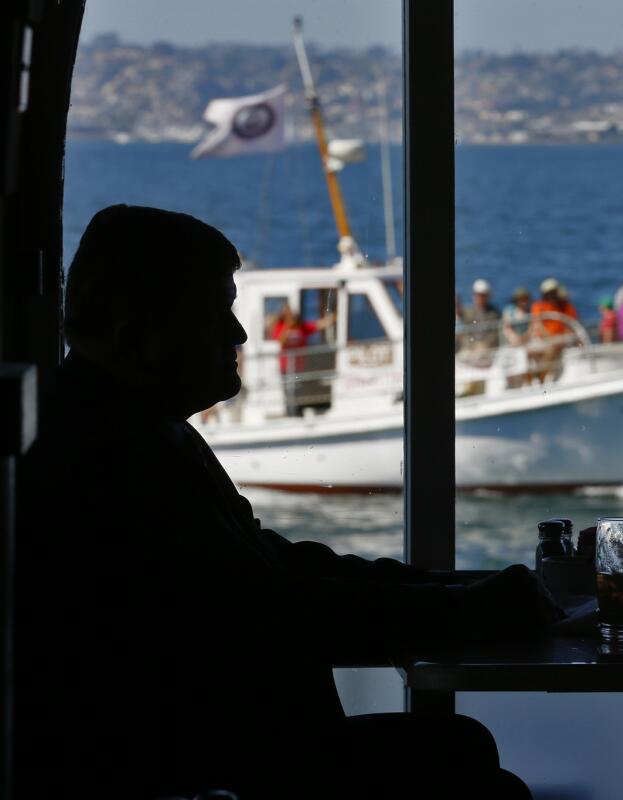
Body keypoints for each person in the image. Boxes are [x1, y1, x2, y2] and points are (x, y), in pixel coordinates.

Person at [16, 205, 557, 799]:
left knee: (461, 749)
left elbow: (271, 564)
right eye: (215, 313)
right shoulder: (117, 457)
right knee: (466, 765)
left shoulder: (124, 427)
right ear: (136, 337)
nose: (239, 334)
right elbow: (270, 608)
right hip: (211, 768)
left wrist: (443, 589)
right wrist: (462, 611)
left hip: (208, 747)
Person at [270, 301, 335, 416]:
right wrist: (288, 326)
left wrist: (332, 318)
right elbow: (281, 341)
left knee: (299, 388)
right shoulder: (280, 327)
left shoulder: (302, 328)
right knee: (288, 390)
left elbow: (318, 325)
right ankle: (291, 411)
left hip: (299, 366)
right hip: (286, 367)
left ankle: (300, 409)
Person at [529, 278, 579, 382]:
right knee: (528, 352)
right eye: (549, 293)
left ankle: (542, 377)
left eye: (553, 292)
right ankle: (530, 380)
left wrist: (558, 338)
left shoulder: (566, 306)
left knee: (552, 348)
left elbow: (571, 325)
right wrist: (549, 337)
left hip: (561, 339)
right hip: (544, 339)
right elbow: (537, 325)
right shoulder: (539, 306)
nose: (551, 295)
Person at [460, 277, 501, 363]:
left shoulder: (494, 313)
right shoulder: (467, 313)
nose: (479, 297)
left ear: (488, 296)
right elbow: (465, 333)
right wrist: (472, 345)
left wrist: (484, 345)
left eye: (482, 295)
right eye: (477, 294)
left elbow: (495, 332)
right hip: (471, 349)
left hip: (489, 348)